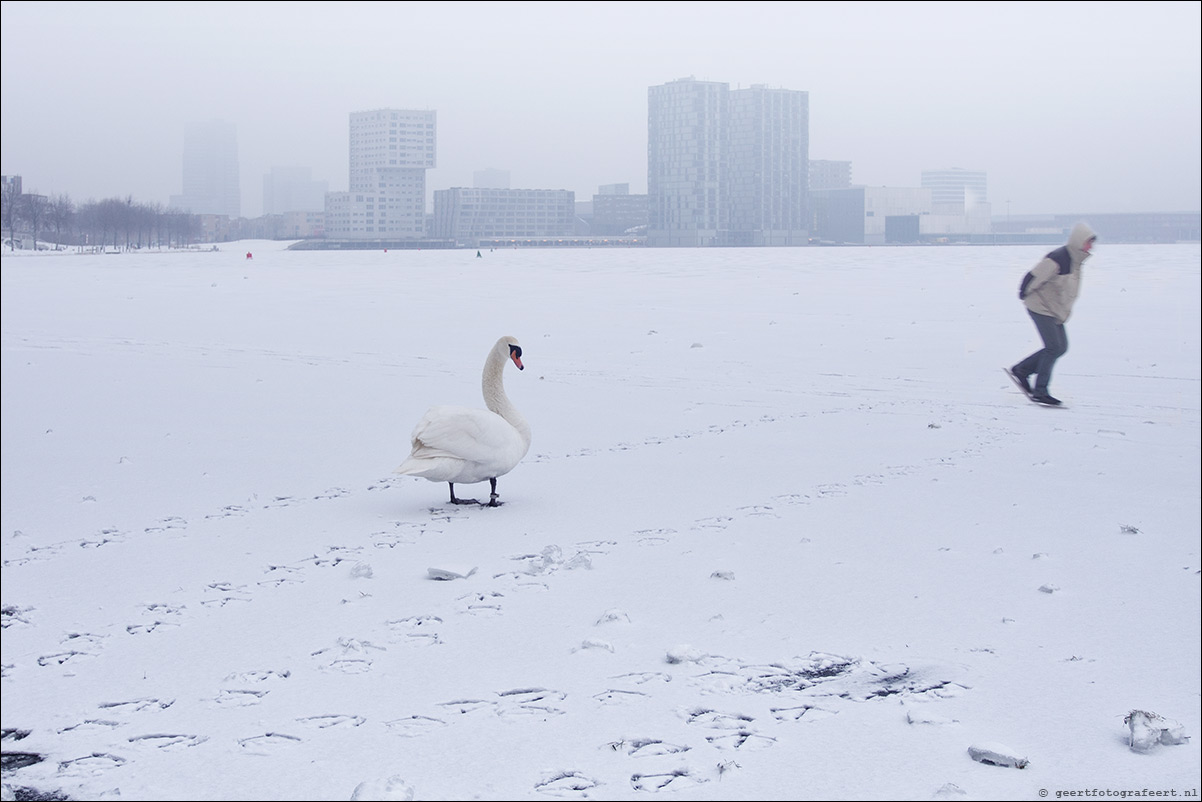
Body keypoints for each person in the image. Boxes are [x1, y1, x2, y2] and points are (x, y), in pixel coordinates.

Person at [1010, 222, 1097, 406]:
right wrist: (1024, 292)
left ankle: (1022, 370)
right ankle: (1040, 391)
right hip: (1039, 306)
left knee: (1061, 347)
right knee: (1052, 347)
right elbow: (1033, 276)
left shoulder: (1075, 261)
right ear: (1079, 241)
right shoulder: (1059, 258)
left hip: (1054, 309)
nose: (1091, 247)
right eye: (1089, 242)